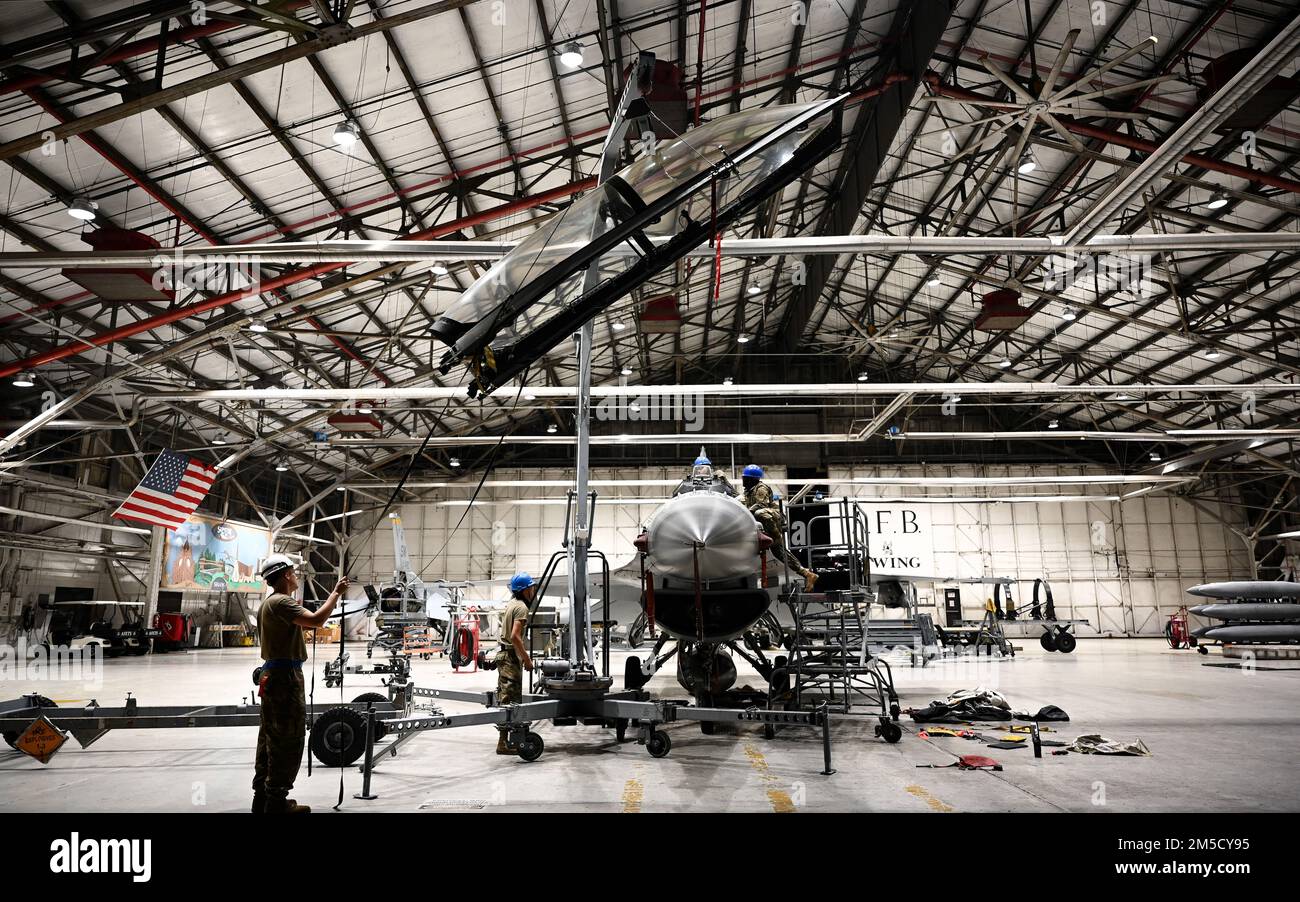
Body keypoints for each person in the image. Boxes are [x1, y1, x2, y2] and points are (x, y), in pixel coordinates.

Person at [252, 554, 348, 814]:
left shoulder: (269, 603)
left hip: (273, 674)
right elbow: (317, 621)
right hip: (285, 678)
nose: (296, 576)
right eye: (293, 572)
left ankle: (262, 799)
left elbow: (298, 626)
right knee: (288, 739)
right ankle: (276, 803)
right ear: (285, 575)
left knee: (269, 738)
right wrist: (336, 594)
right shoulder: (282, 602)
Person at [741, 464, 818, 592]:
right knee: (780, 553)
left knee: (759, 513)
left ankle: (776, 536)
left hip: (772, 517)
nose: (743, 480)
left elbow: (760, 505)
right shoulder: (748, 491)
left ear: (752, 479)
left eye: (745, 478)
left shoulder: (760, 488)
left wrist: (745, 512)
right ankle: (807, 574)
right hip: (763, 522)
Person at [494, 572, 536, 754]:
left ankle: (505, 741)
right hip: (510, 657)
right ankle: (504, 743)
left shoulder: (512, 603)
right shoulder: (521, 608)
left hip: (504, 655)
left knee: (505, 697)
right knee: (511, 701)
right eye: (531, 588)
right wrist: (527, 659)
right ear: (524, 590)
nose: (533, 591)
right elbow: (515, 636)